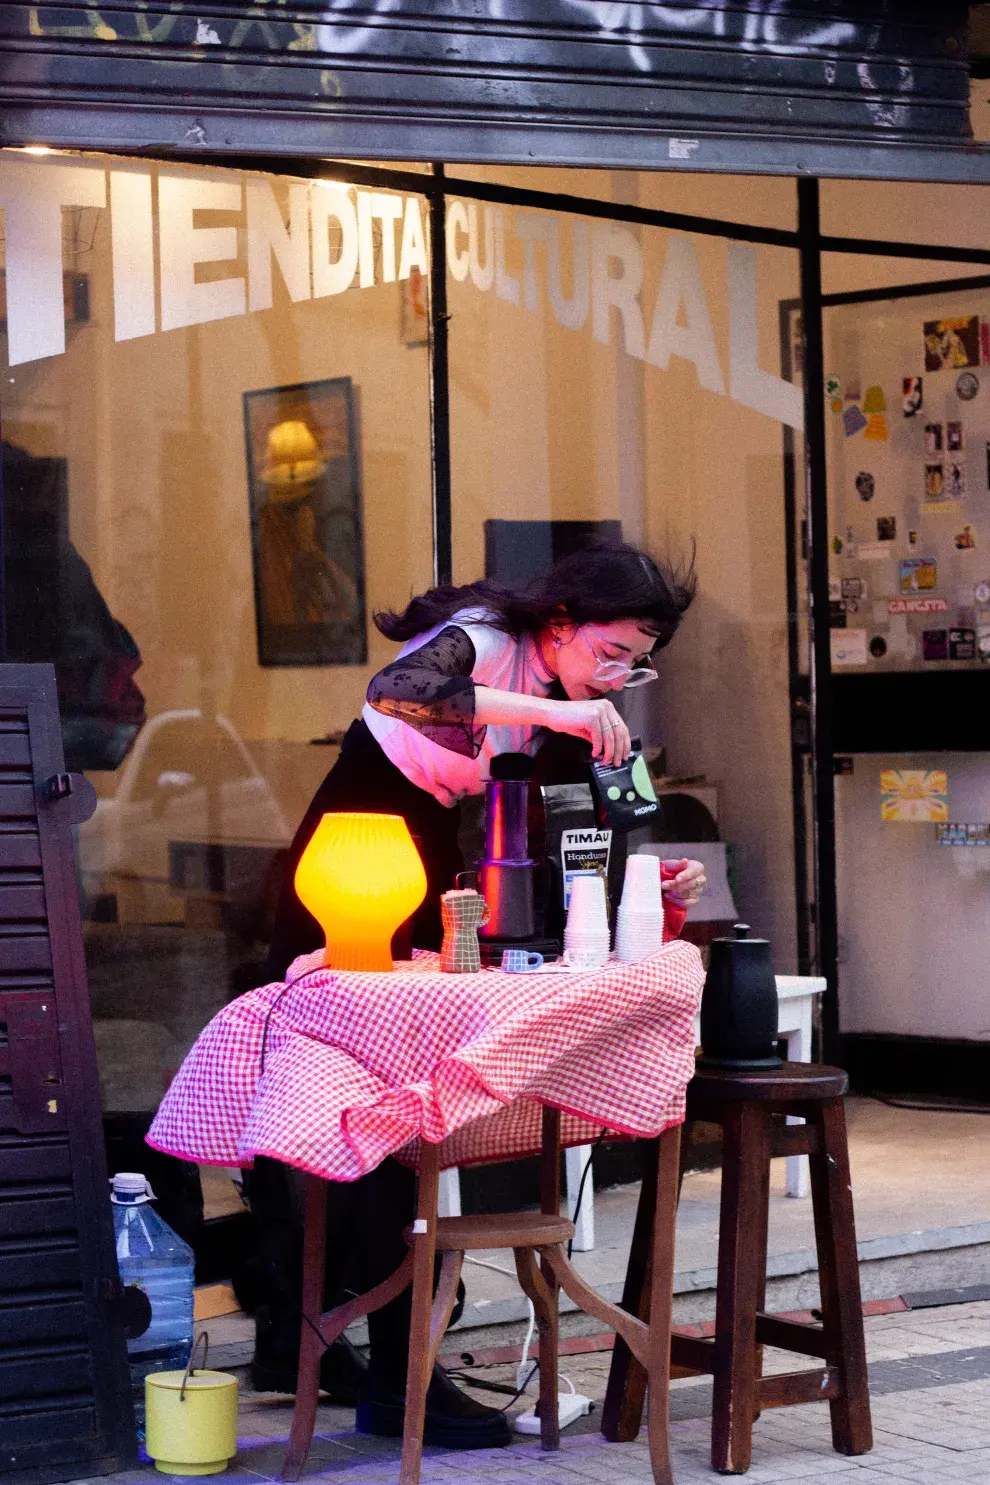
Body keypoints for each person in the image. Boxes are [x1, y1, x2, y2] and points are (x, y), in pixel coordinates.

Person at [247, 541, 707, 1449]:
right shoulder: (487, 639)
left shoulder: (580, 703)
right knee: (352, 1100)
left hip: (440, 858)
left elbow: (586, 836)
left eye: (637, 662)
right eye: (611, 652)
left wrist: (653, 885)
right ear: (561, 625)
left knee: (396, 1109)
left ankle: (345, 1351)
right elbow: (396, 689)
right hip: (360, 844)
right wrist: (558, 712)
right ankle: (381, 1369)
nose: (618, 675)